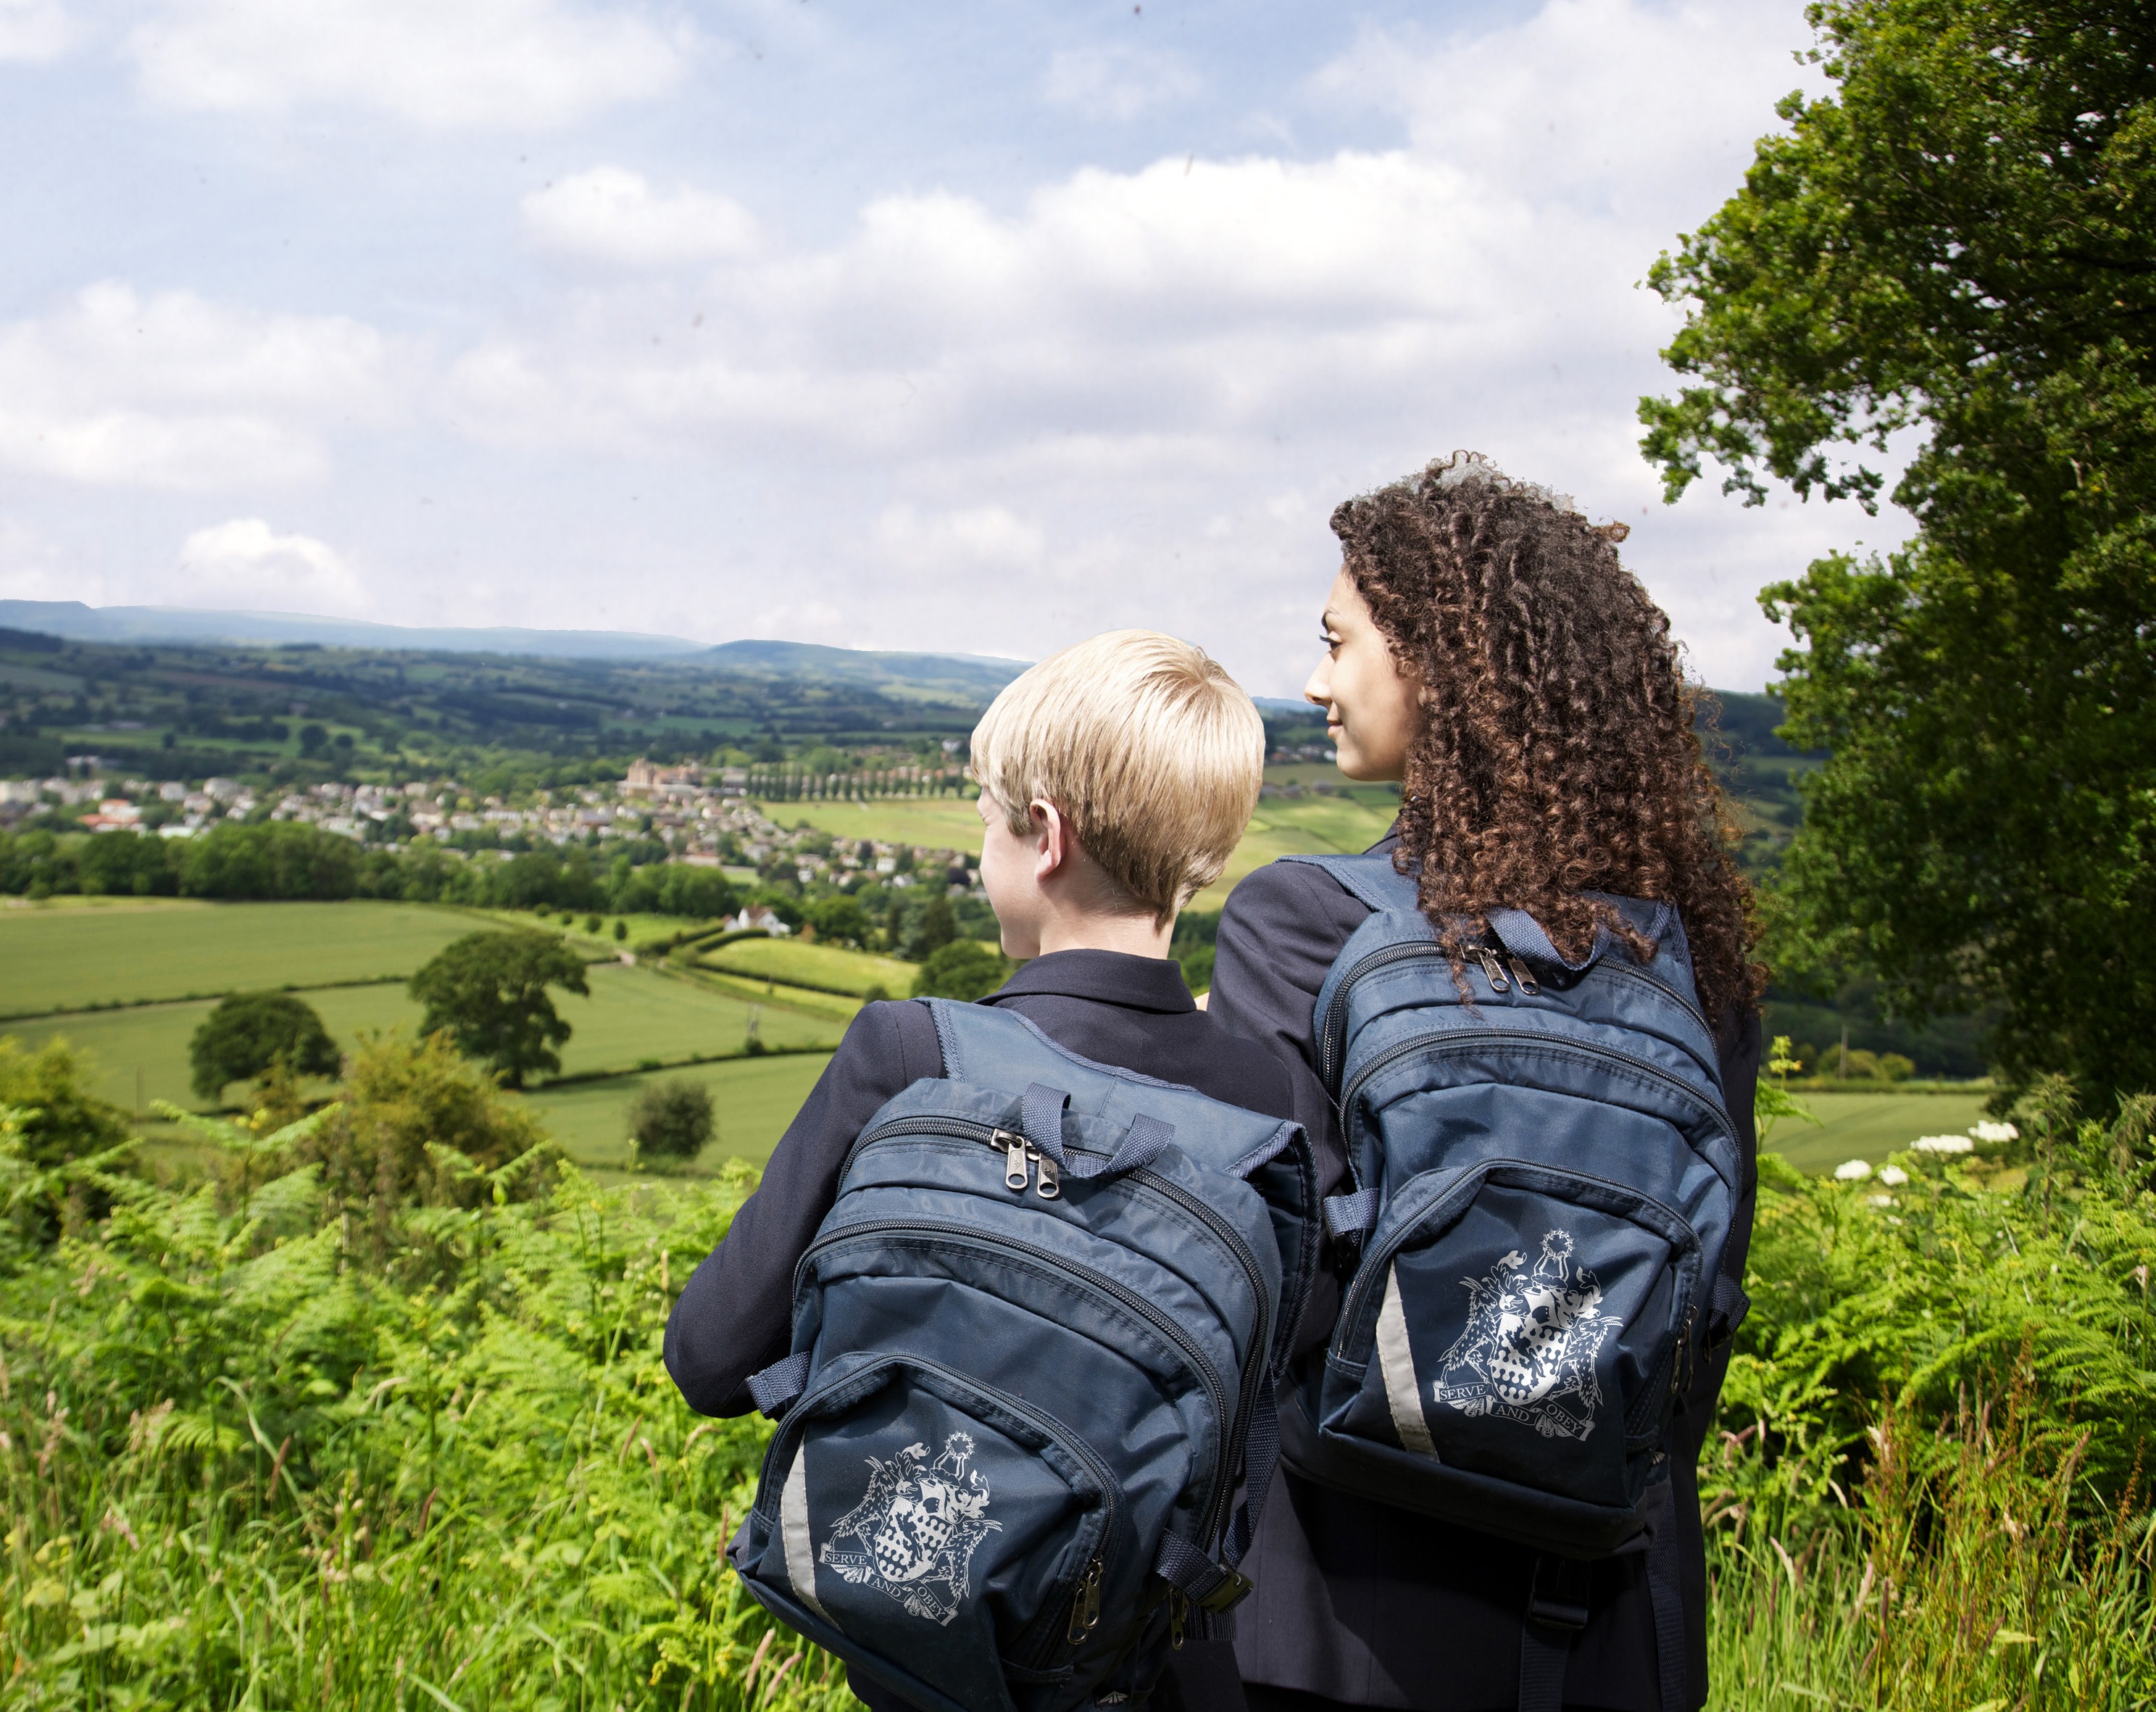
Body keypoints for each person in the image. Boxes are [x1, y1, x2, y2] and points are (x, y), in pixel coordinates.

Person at [1208, 453, 1765, 1711]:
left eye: (1336, 642)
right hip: (1603, 1624)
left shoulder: (1304, 922)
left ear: (1441, 670)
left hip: (1337, 1622)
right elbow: (1699, 1325)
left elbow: (1266, 1298)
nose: (1312, 682)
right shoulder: (1687, 962)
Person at [665, 628, 1302, 1711]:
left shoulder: (912, 1054)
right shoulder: (1263, 1106)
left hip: (927, 1662)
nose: (979, 845)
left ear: (1046, 837)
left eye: (987, 818)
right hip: (1147, 1665)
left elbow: (710, 1359)